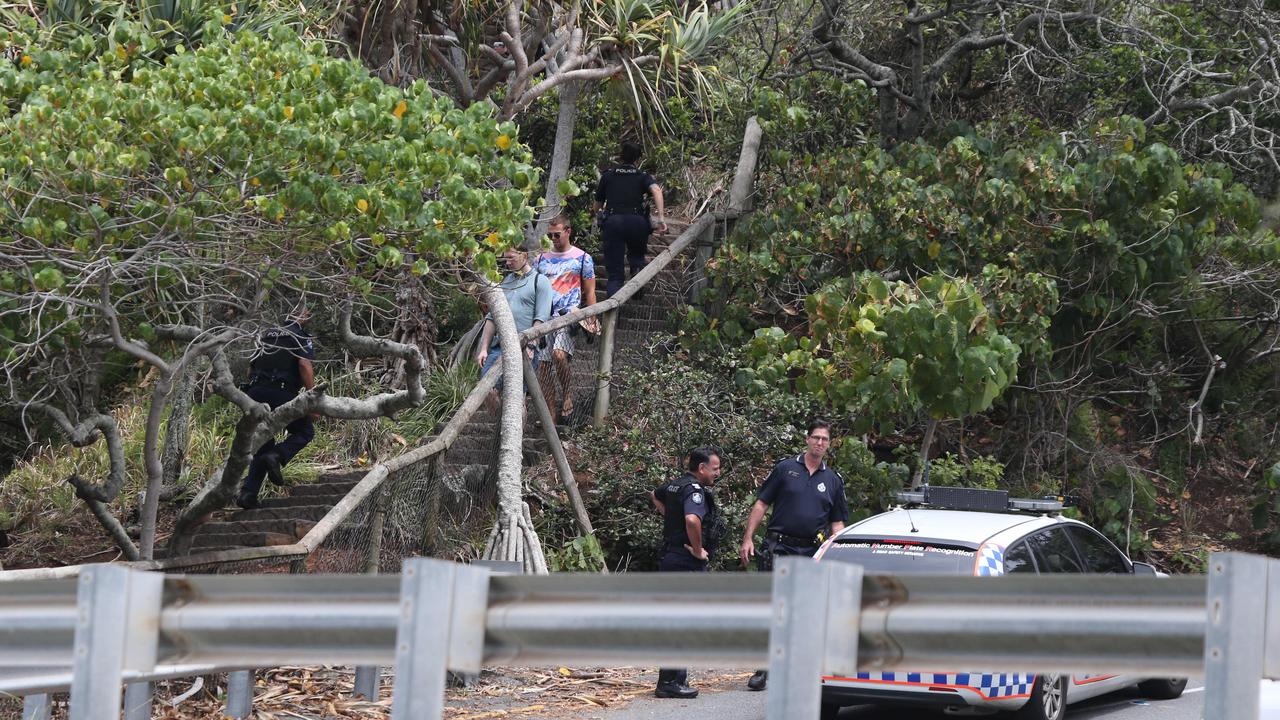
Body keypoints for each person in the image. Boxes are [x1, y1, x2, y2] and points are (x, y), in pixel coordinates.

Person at [738, 420, 848, 691]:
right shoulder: (786, 469)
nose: (819, 443)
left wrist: (839, 553)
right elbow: (762, 503)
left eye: (824, 439)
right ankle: (764, 669)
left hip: (811, 551)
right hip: (780, 547)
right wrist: (748, 538)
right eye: (815, 437)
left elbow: (837, 525)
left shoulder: (833, 481)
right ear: (807, 439)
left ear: (829, 444)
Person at [651, 447, 724, 699]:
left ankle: (671, 679)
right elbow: (693, 520)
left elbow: (655, 494)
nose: (717, 473)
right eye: (714, 468)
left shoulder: (674, 486)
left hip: (671, 558)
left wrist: (672, 517)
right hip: (685, 562)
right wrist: (697, 549)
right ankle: (670, 682)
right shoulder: (693, 490)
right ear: (701, 468)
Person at [236, 312, 318, 510]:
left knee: (263, 440)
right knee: (305, 431)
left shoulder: (266, 335)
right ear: (301, 316)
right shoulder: (300, 335)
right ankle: (278, 455)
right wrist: (312, 400)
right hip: (281, 391)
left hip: (255, 393)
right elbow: (304, 365)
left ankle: (248, 494)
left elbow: (250, 368)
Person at [473, 246, 554, 413]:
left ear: (524, 255)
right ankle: (501, 426)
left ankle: (514, 432)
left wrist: (531, 345)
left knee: (517, 397)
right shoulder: (505, 281)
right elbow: (491, 317)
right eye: (505, 259)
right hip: (498, 348)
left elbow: (541, 318)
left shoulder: (540, 281)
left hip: (523, 348)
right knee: (487, 390)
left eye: (511, 258)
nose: (508, 263)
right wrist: (483, 348)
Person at [534, 214, 598, 423]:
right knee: (543, 366)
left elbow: (590, 292)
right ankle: (550, 413)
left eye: (557, 234)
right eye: (550, 235)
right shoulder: (541, 259)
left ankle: (568, 394)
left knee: (559, 355)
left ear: (568, 231)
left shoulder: (582, 258)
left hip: (569, 314)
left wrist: (591, 317)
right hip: (544, 316)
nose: (553, 238)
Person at [593, 141, 668, 298]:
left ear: (620, 157)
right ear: (638, 159)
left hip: (613, 222)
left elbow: (597, 204)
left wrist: (594, 215)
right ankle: (637, 287)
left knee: (615, 272)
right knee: (637, 258)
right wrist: (661, 218)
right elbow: (656, 190)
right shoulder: (642, 177)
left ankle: (613, 306)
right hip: (637, 222)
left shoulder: (608, 176)